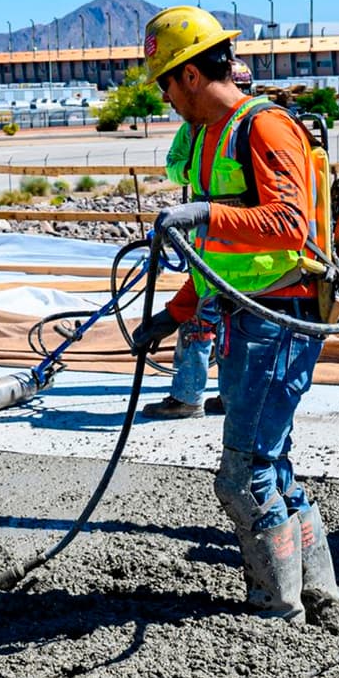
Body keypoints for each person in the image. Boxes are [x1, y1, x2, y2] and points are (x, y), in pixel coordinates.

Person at [131, 6, 339, 621]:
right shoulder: (204, 138)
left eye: (165, 82)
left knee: (243, 476)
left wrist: (204, 216)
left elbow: (286, 223)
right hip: (249, 313)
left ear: (190, 76)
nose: (165, 98)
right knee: (270, 464)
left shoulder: (265, 128)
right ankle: (319, 595)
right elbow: (220, 256)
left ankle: (280, 613)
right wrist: (175, 313)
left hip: (282, 319)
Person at [142, 60, 253, 420]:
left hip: (243, 258)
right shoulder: (196, 131)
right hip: (217, 252)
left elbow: (283, 218)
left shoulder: (253, 127)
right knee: (216, 324)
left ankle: (194, 398)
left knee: (222, 327)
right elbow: (175, 164)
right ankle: (227, 396)